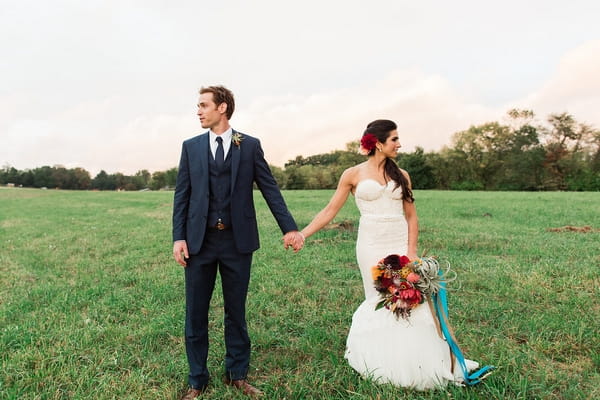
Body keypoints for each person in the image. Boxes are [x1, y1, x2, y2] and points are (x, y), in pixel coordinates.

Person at [299, 119, 480, 390]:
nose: (399, 144)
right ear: (377, 143)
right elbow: (329, 211)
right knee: (380, 298)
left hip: (398, 243)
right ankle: (381, 359)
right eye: (394, 139)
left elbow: (411, 216)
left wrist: (411, 253)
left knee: (410, 300)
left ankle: (416, 361)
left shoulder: (402, 175)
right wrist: (303, 234)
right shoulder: (352, 174)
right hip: (370, 245)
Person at [172, 85, 304, 399]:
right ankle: (196, 380)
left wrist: (289, 228)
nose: (199, 111)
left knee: (236, 311)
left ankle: (237, 374)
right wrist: (179, 237)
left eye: (203, 105)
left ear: (223, 108)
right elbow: (182, 196)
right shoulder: (190, 147)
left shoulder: (249, 145)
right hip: (198, 242)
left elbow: (270, 189)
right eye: (198, 106)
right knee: (195, 313)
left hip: (237, 242)